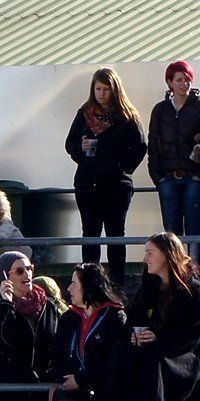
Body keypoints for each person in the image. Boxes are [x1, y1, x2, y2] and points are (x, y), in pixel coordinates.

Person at [120, 232, 200, 401]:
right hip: (155, 348)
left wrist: (159, 337)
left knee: (152, 356)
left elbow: (191, 334)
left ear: (166, 254)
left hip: (184, 356)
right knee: (120, 352)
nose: (145, 259)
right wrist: (136, 336)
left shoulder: (194, 291)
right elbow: (134, 320)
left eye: (150, 253)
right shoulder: (149, 288)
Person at [65, 68, 147, 276]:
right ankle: (90, 283)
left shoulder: (126, 116)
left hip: (116, 184)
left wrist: (122, 166)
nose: (101, 94)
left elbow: (140, 146)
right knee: (90, 234)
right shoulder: (85, 113)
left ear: (115, 90)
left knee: (115, 234)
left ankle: (117, 283)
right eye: (98, 89)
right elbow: (70, 143)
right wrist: (81, 149)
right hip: (88, 182)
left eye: (106, 89)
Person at [50, 261, 130, 401]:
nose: (69, 288)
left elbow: (113, 362)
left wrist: (82, 379)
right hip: (72, 400)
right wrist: (68, 377)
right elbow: (57, 355)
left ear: (88, 286)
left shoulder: (114, 318)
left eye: (74, 283)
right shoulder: (69, 319)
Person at [0, 251, 56, 401]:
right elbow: (3, 342)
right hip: (10, 392)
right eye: (20, 271)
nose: (27, 274)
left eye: (29, 268)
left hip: (42, 390)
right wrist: (6, 304)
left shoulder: (48, 306)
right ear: (4, 277)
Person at [148, 61, 200, 242]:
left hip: (194, 178)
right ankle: (174, 264)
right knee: (172, 237)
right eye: (179, 80)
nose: (184, 84)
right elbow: (153, 144)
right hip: (168, 178)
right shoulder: (161, 110)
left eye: (187, 79)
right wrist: (157, 177)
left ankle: (193, 263)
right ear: (170, 82)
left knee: (194, 235)